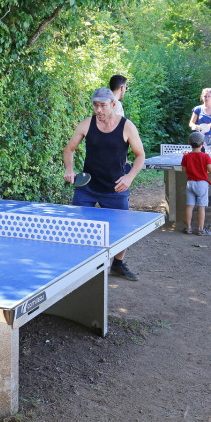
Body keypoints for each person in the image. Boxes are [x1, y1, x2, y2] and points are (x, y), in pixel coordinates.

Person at [63, 87, 146, 281]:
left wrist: (129, 177)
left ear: (113, 105)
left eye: (102, 106)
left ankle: (117, 264)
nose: (98, 110)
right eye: (95, 106)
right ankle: (80, 267)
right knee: (79, 228)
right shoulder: (86, 124)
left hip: (116, 187)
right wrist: (69, 169)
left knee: (123, 231)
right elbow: (69, 149)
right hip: (87, 187)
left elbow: (140, 155)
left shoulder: (127, 127)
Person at [181, 131, 211, 236]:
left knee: (189, 206)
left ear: (189, 144)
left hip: (190, 183)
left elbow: (184, 169)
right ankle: (200, 230)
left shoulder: (186, 156)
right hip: (202, 184)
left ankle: (188, 228)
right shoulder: (206, 156)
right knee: (201, 207)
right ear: (202, 144)